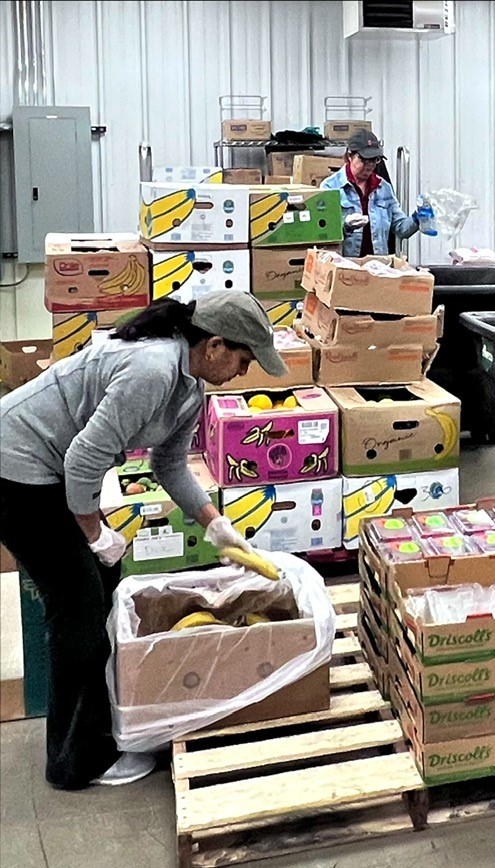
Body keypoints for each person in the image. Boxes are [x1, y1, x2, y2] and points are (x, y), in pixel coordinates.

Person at [0, 292, 285, 790]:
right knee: (80, 606)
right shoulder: (152, 369)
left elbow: (167, 465)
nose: (244, 373)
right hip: (15, 466)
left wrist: (215, 524)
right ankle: (75, 762)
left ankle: (103, 722)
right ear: (215, 345)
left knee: (102, 588)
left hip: (48, 471)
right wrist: (94, 533)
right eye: (243, 360)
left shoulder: (188, 387)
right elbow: (84, 461)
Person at [324, 129, 431, 257]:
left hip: (378, 268)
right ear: (350, 156)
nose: (369, 165)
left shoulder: (383, 188)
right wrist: (345, 225)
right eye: (365, 159)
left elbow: (401, 228)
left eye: (374, 160)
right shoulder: (330, 187)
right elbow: (323, 232)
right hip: (345, 268)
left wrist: (418, 218)